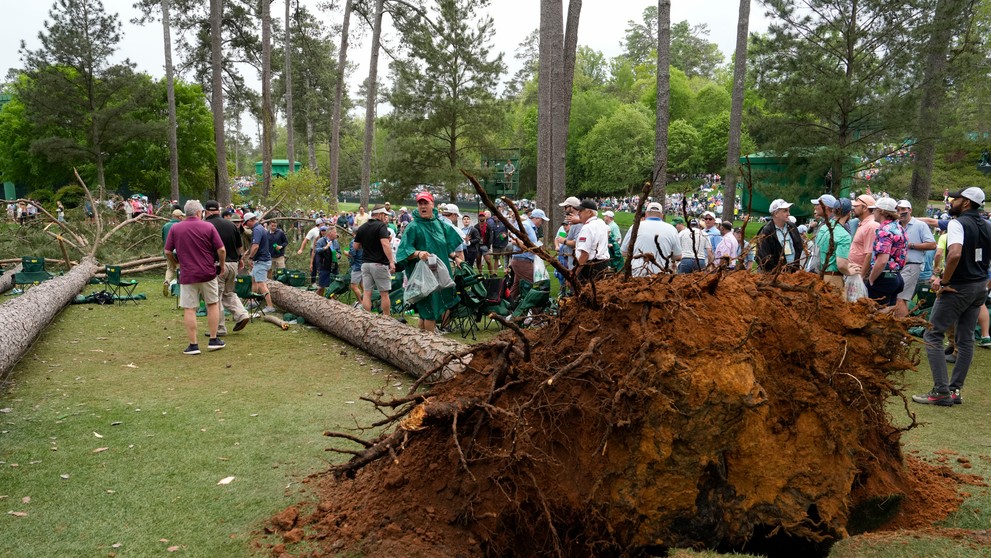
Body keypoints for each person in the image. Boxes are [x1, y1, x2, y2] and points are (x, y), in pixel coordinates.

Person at [913, 187, 991, 406]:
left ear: (966, 203)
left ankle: (941, 391)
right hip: (978, 287)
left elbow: (954, 253)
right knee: (966, 340)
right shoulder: (987, 225)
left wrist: (944, 281)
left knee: (932, 335)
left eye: (955, 198)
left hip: (958, 287)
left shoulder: (958, 224)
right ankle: (954, 390)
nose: (951, 201)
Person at [396, 191, 464, 333]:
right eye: (420, 203)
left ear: (432, 204)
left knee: (426, 312)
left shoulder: (439, 224)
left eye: (425, 203)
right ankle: (430, 342)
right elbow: (403, 251)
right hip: (423, 277)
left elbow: (445, 246)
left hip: (439, 274)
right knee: (430, 310)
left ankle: (420, 340)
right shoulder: (413, 227)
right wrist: (418, 253)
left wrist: (455, 257)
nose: (422, 206)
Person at [164, 200, 226, 355]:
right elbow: (222, 250)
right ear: (199, 213)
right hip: (207, 272)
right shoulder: (208, 226)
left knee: (189, 308)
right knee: (212, 304)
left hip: (188, 274)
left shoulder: (176, 228)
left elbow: (167, 251)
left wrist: (176, 263)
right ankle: (213, 339)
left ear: (186, 213)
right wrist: (222, 265)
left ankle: (193, 344)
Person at [203, 200, 250, 335]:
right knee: (228, 293)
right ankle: (242, 314)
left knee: (215, 297)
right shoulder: (231, 225)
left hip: (217, 265)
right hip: (233, 264)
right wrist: (240, 259)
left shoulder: (206, 225)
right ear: (218, 210)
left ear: (206, 211)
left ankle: (219, 328)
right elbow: (239, 245)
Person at [893, 199, 936, 318]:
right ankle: (900, 329)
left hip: (912, 265)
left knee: (899, 298)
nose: (900, 212)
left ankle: (903, 332)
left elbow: (932, 244)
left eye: (903, 209)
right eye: (898, 209)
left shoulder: (920, 225)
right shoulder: (895, 225)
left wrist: (911, 245)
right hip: (896, 266)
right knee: (899, 298)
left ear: (910, 210)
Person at [862, 197, 906, 307]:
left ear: (881, 211)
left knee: (876, 316)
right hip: (896, 276)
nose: (873, 213)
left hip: (883, 278)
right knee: (888, 316)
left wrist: (871, 279)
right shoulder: (900, 228)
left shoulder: (884, 231)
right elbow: (904, 255)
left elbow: (882, 261)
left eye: (874, 210)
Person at [354, 205, 396, 315]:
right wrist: (391, 261)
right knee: (384, 293)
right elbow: (385, 244)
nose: (386, 217)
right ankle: (386, 319)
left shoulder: (362, 227)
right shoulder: (381, 226)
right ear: (380, 214)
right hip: (379, 264)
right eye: (385, 215)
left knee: (367, 293)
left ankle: (367, 318)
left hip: (366, 264)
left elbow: (355, 246)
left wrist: (368, 245)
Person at [620, 202, 680, 276]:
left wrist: (637, 254)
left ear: (646, 214)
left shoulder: (635, 227)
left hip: (638, 271)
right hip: (662, 272)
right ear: (662, 216)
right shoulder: (672, 229)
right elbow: (678, 256)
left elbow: (623, 252)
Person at [814, 197, 857, 293]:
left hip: (820, 276)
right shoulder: (844, 235)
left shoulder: (824, 228)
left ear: (833, 211)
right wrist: (849, 271)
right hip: (833, 279)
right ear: (849, 213)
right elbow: (841, 264)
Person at [755, 199, 804, 272]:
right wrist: (777, 272)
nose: (789, 214)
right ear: (776, 213)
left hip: (793, 273)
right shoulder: (766, 231)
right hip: (775, 275)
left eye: (788, 210)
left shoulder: (792, 227)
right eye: (785, 211)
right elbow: (763, 257)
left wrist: (796, 267)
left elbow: (799, 247)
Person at [508, 208, 547, 301]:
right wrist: (527, 248)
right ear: (537, 218)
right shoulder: (526, 226)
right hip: (522, 261)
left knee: (516, 287)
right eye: (542, 220)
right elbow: (513, 240)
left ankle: (506, 306)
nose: (542, 223)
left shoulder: (532, 228)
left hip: (525, 260)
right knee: (534, 285)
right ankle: (536, 312)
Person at [241, 213, 275, 313]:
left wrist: (250, 258)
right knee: (253, 279)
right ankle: (253, 302)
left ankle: (270, 306)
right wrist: (247, 252)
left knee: (261, 284)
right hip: (262, 259)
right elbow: (255, 245)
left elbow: (256, 247)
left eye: (247, 223)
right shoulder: (260, 228)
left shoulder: (257, 230)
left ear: (251, 220)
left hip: (262, 261)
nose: (247, 225)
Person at [573, 200, 611, 283]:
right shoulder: (601, 223)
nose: (578, 213)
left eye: (581, 211)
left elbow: (585, 255)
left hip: (590, 267)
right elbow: (608, 230)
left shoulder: (587, 228)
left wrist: (574, 274)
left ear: (589, 212)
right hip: (603, 264)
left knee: (586, 293)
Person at [848, 194, 879, 268]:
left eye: (856, 206)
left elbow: (869, 254)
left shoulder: (871, 226)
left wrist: (862, 276)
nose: (853, 209)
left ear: (865, 208)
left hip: (859, 271)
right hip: (854, 270)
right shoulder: (863, 223)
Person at [161, 208, 183, 296]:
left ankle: (167, 282)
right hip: (179, 252)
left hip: (168, 251)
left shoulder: (165, 226)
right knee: (180, 269)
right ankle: (179, 287)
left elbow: (163, 238)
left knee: (170, 268)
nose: (182, 218)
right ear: (178, 217)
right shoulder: (181, 226)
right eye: (181, 216)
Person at [296, 217, 324, 287]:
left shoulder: (324, 230)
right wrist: (301, 249)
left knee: (322, 266)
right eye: (323, 223)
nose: (324, 224)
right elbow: (306, 240)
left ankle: (322, 282)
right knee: (314, 266)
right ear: (320, 224)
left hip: (323, 250)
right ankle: (313, 282)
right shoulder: (313, 231)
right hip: (314, 250)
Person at [314, 226, 340, 297]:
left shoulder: (336, 242)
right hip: (324, 266)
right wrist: (325, 247)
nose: (336, 234)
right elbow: (316, 250)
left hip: (334, 266)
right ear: (330, 233)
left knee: (334, 285)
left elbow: (339, 252)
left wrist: (338, 255)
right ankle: (316, 300)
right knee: (322, 286)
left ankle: (332, 303)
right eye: (335, 232)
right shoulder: (321, 241)